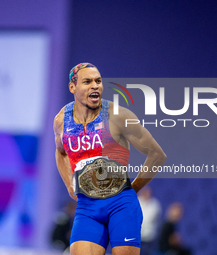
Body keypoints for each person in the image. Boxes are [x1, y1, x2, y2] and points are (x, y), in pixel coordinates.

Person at [54, 63, 167, 255]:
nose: (95, 86)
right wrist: (69, 185)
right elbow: (61, 152)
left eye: (98, 81)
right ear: (72, 87)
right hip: (87, 207)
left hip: (121, 205)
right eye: (87, 81)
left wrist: (133, 188)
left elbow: (157, 155)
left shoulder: (118, 116)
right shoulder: (61, 121)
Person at [138, 186, 161, 255]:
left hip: (150, 236)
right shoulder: (137, 201)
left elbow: (151, 219)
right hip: (138, 236)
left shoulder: (155, 204)